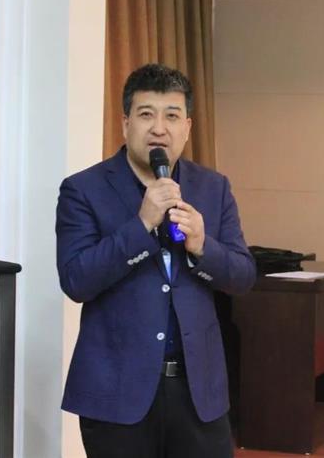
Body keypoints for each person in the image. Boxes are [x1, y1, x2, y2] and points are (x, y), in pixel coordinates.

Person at [56, 64, 256, 458]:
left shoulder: (213, 188)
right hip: (117, 395)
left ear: (187, 128)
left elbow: (243, 276)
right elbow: (77, 280)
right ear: (126, 123)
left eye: (172, 116)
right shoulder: (84, 189)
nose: (159, 128)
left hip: (198, 394)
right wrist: (141, 224)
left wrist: (202, 246)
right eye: (146, 114)